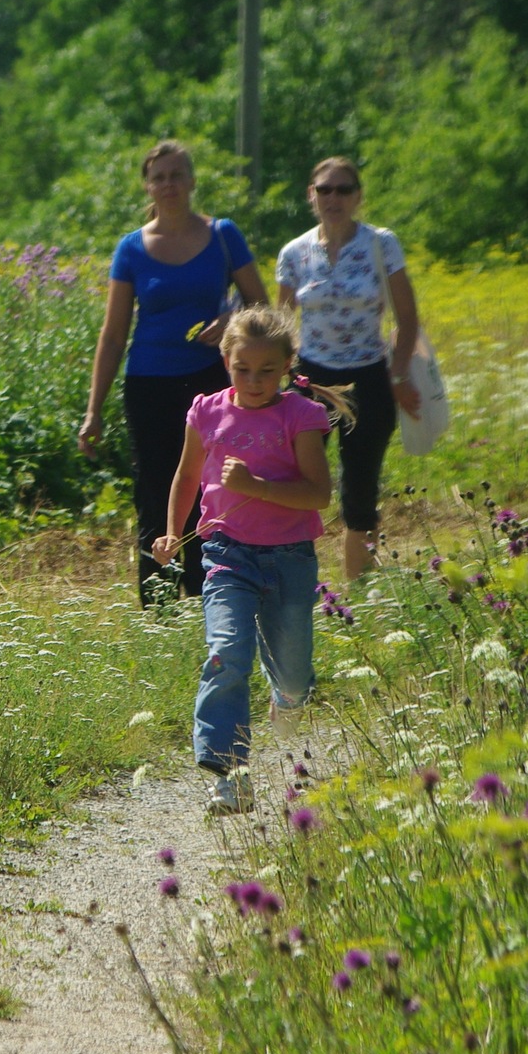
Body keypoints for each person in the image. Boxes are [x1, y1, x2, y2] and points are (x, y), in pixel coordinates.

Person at [153, 306, 350, 814]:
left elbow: (318, 495)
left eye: (267, 370)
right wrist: (173, 533)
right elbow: (186, 476)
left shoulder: (300, 416)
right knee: (226, 654)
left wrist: (255, 486)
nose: (254, 380)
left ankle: (286, 700)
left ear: (287, 366)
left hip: (289, 559)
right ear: (226, 362)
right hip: (226, 554)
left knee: (293, 677)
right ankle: (229, 775)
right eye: (243, 369)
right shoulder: (207, 412)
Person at [79, 140, 268, 603]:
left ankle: (211, 597)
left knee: (211, 489)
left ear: (192, 181)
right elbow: (113, 334)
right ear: (148, 186)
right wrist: (93, 410)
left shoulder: (223, 235)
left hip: (211, 382)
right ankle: (159, 606)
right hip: (149, 384)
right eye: (159, 177)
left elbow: (261, 304)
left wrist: (230, 321)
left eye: (177, 175)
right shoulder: (131, 248)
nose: (169, 185)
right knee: (155, 490)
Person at [275, 157, 420, 582]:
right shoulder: (294, 252)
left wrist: (399, 375)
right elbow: (281, 325)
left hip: (367, 377)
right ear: (311, 195)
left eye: (343, 190)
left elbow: (407, 318)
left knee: (359, 490)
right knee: (294, 483)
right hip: (309, 380)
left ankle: (359, 592)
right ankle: (290, 583)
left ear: (358, 196)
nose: (333, 198)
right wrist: (275, 381)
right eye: (324, 189)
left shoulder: (381, 244)